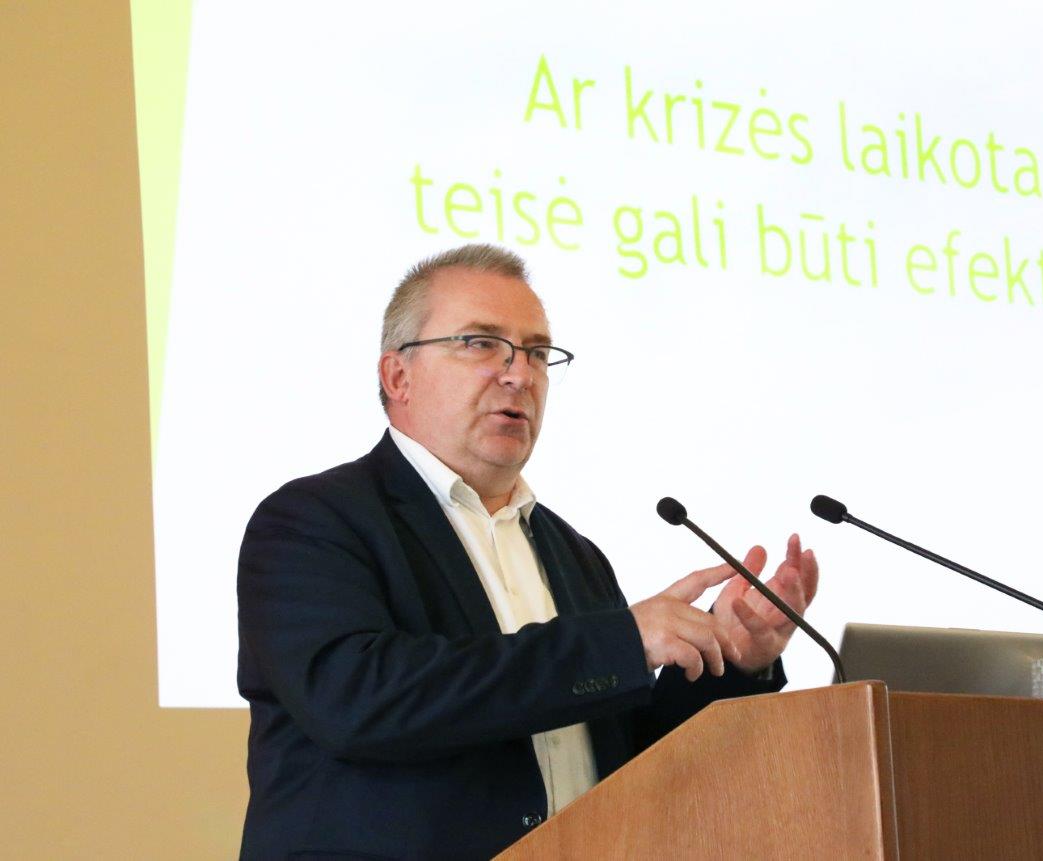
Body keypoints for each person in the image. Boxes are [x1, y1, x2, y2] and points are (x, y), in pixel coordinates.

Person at [236, 244, 820, 859]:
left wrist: (734, 660)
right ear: (398, 377)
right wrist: (621, 643)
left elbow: (624, 756)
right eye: (480, 343)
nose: (520, 375)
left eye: (538, 352)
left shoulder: (574, 553)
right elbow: (360, 702)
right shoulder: (312, 521)